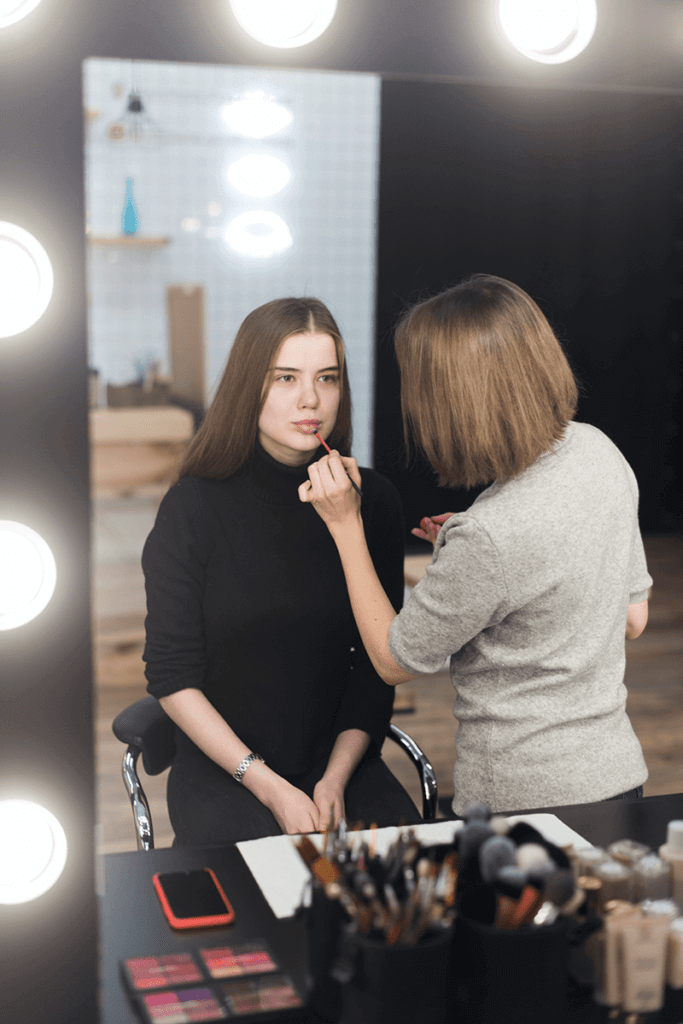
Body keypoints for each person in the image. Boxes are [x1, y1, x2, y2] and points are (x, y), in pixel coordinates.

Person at [300, 274, 652, 816]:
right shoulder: (597, 449)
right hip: (617, 780)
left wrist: (346, 525)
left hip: (524, 806)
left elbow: (395, 659)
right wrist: (482, 558)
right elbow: (633, 616)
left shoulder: (489, 537)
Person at [141, 296, 422, 846]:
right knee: (277, 895)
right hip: (230, 769)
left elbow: (376, 669)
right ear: (251, 386)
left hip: (340, 761)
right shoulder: (193, 507)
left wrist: (335, 778)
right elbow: (172, 677)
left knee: (408, 893)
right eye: (286, 378)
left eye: (327, 378)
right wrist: (268, 786)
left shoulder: (375, 500)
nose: (310, 399)